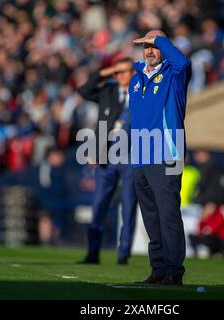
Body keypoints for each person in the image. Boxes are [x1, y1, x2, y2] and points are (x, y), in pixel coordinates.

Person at [129, 30, 192, 285]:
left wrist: (161, 41)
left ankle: (174, 271)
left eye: (153, 46)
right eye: (145, 46)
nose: (149, 50)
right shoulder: (136, 78)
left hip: (166, 154)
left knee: (168, 215)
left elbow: (183, 62)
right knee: (151, 218)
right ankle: (158, 269)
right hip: (141, 157)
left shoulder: (174, 74)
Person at [77, 57, 137, 265]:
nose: (120, 76)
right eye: (117, 72)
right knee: (99, 205)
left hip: (131, 156)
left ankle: (124, 253)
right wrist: (106, 70)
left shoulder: (141, 93)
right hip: (107, 156)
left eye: (125, 71)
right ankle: (92, 253)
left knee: (129, 206)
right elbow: (84, 90)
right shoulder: (108, 92)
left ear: (133, 72)